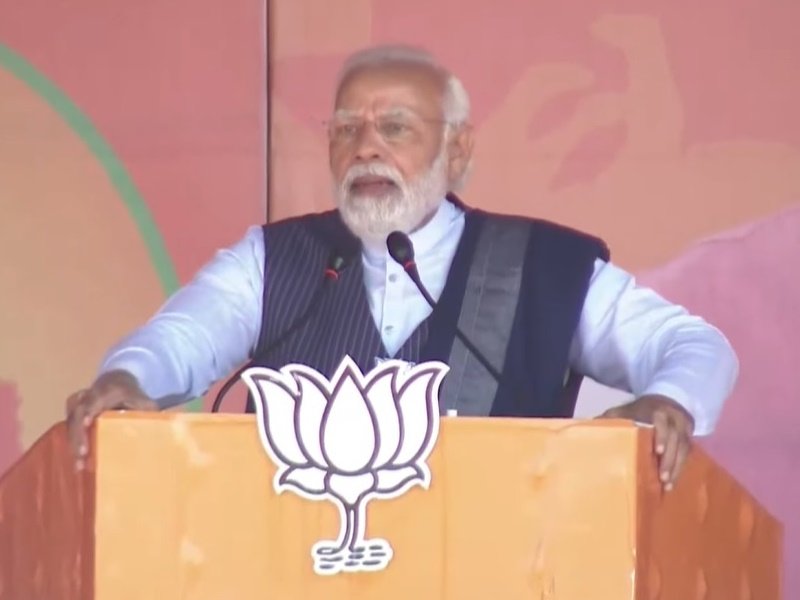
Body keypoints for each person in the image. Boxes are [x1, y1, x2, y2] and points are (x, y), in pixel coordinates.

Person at [65, 45, 738, 492]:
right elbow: (180, 338)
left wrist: (668, 401)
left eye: (394, 128)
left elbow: (693, 346)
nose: (365, 148)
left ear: (457, 148)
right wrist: (127, 378)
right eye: (345, 130)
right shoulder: (273, 260)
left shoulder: (542, 266)